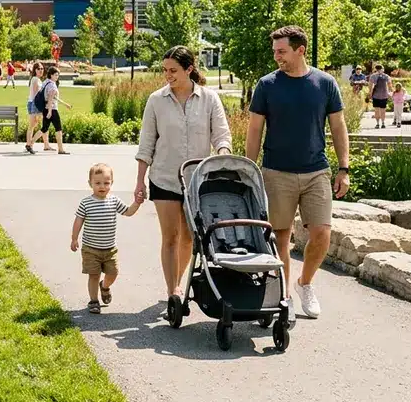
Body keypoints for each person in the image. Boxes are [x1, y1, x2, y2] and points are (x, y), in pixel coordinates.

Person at [245, 26, 350, 324]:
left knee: (322, 234)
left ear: (300, 49)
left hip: (317, 170)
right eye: (275, 51)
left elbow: (338, 126)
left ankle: (305, 283)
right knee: (281, 238)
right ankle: (284, 298)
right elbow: (255, 130)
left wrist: (344, 168)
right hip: (276, 172)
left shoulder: (325, 83)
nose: (276, 56)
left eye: (282, 51)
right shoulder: (266, 85)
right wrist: (248, 170)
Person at [134, 46, 232, 300]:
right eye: (165, 70)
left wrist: (222, 151)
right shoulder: (156, 100)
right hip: (164, 177)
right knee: (171, 236)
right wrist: (139, 181)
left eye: (174, 70)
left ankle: (176, 282)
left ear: (189, 69)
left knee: (188, 239)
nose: (168, 75)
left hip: (196, 182)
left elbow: (222, 135)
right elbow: (146, 144)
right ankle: (173, 291)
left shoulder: (209, 99)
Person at [71, 163, 144, 314]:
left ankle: (104, 286)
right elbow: (78, 220)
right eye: (97, 183)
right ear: (90, 183)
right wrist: (74, 238)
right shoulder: (86, 203)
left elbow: (128, 212)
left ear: (111, 183)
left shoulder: (114, 201)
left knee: (113, 273)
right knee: (93, 275)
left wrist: (137, 203)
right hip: (90, 249)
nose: (102, 186)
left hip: (110, 249)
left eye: (106, 182)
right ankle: (93, 301)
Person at [26, 66, 72, 155]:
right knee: (58, 129)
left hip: (45, 108)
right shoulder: (52, 85)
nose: (57, 77)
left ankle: (30, 143)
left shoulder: (45, 82)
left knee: (44, 129)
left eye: (58, 75)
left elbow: (52, 97)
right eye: (55, 75)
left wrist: (65, 104)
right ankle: (61, 149)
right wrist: (50, 111)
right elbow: (51, 98)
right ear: (51, 75)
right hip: (52, 109)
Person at [24, 63, 50, 152]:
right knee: (44, 125)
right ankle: (34, 144)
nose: (41, 70)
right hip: (35, 104)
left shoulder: (35, 79)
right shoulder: (35, 80)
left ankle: (29, 144)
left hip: (31, 103)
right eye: (39, 68)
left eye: (42, 68)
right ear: (35, 70)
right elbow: (36, 95)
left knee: (32, 125)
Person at [367, 65, 392, 129]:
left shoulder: (373, 76)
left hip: (376, 96)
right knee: (382, 110)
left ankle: (378, 124)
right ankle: (383, 123)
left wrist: (370, 93)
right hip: (383, 96)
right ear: (382, 69)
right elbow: (389, 85)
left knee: (377, 110)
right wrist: (390, 93)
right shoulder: (386, 76)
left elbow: (370, 85)